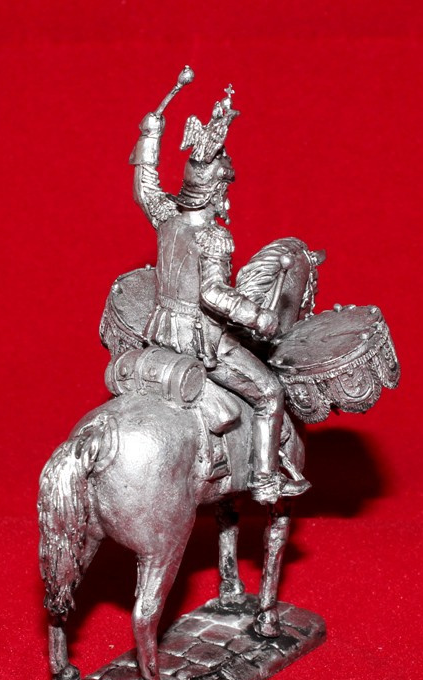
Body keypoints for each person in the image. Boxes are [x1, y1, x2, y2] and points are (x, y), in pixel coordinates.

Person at [129, 85, 310, 505]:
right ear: (215, 192)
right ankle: (265, 480)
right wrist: (258, 317)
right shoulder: (214, 237)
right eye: (224, 189)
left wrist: (150, 135)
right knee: (270, 393)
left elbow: (145, 187)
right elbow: (212, 294)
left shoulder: (167, 217)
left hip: (161, 332)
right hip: (201, 340)